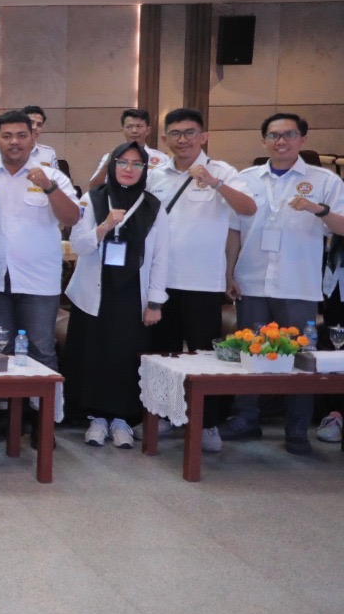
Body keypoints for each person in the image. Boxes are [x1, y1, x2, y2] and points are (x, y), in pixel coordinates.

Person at [222, 113, 344, 454]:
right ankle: (246, 419)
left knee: (301, 360)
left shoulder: (324, 180)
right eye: (274, 135)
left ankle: (296, 430)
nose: (281, 141)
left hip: (297, 283)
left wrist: (319, 210)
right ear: (263, 140)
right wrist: (229, 273)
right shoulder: (245, 179)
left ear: (302, 139)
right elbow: (234, 230)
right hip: (252, 281)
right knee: (249, 354)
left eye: (289, 135)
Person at [145, 108, 256, 452]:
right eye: (176, 134)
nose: (183, 140)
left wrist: (214, 182)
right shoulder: (155, 175)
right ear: (165, 139)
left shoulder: (223, 171)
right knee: (161, 354)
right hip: (160, 281)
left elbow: (248, 208)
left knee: (204, 355)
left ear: (204, 136)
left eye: (190, 132)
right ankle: (163, 416)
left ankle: (206, 424)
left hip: (203, 283)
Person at [0, 109, 81, 442]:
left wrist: (49, 188)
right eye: (6, 135)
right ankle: (6, 417)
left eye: (21, 135)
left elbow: (72, 218)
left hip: (38, 279)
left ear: (33, 138)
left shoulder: (52, 176)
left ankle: (42, 420)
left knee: (41, 348)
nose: (14, 142)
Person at [63, 142, 170, 448]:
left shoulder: (153, 206)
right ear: (112, 165)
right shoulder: (92, 198)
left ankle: (122, 419)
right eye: (123, 162)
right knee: (93, 355)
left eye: (137, 164)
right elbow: (79, 246)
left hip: (133, 294)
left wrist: (155, 301)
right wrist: (105, 226)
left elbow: (161, 257)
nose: (129, 169)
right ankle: (96, 419)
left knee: (126, 356)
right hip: (94, 292)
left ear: (145, 170)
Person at [87, 109, 171, 189]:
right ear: (122, 130)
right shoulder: (110, 157)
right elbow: (94, 188)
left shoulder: (162, 159)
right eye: (129, 127)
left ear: (148, 130)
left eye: (139, 126)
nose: (134, 131)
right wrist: (108, 163)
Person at [0, 104, 58, 169]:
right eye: (31, 123)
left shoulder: (48, 153)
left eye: (39, 125)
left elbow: (55, 181)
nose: (34, 127)